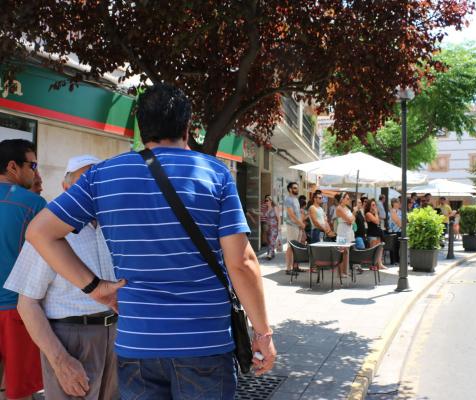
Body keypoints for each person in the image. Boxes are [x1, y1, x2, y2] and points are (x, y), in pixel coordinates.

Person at [25, 85, 276, 400]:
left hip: (137, 345)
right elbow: (242, 262)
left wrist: (94, 287)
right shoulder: (215, 174)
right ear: (188, 127)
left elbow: (39, 232)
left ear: (141, 129)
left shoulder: (102, 176)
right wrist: (263, 333)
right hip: (204, 344)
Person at [5, 155, 119, 400]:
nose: (92, 191)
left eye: (98, 184)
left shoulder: (115, 228)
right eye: (83, 184)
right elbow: (27, 304)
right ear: (67, 188)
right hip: (71, 339)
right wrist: (60, 360)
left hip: (116, 337)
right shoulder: (49, 231)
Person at [0, 139, 45, 400]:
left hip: (16, 311)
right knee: (19, 393)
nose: (36, 173)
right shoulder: (34, 204)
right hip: (17, 312)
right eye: (33, 165)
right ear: (12, 167)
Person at [284, 182, 306, 274]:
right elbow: (291, 215)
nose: (297, 189)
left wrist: (301, 225)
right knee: (290, 247)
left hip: (297, 226)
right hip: (292, 226)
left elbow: (297, 214)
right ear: (290, 189)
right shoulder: (288, 199)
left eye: (297, 187)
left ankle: (295, 267)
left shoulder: (295, 199)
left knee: (296, 248)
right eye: (294, 188)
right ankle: (288, 269)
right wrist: (301, 223)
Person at [335, 193, 355, 277]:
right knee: (341, 251)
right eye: (347, 198)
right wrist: (353, 214)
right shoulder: (339, 208)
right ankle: (340, 273)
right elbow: (350, 220)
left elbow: (353, 220)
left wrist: (351, 219)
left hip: (348, 231)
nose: (348, 200)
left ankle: (345, 271)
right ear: (342, 199)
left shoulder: (347, 208)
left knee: (346, 252)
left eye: (348, 198)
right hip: (342, 231)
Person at [364, 199, 386, 270]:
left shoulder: (374, 213)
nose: (374, 206)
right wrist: (376, 213)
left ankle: (379, 264)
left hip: (377, 234)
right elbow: (376, 221)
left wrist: (376, 213)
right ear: (369, 206)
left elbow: (378, 221)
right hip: (372, 235)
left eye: (375, 205)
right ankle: (373, 265)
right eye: (373, 205)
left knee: (379, 249)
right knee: (374, 250)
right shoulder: (368, 214)